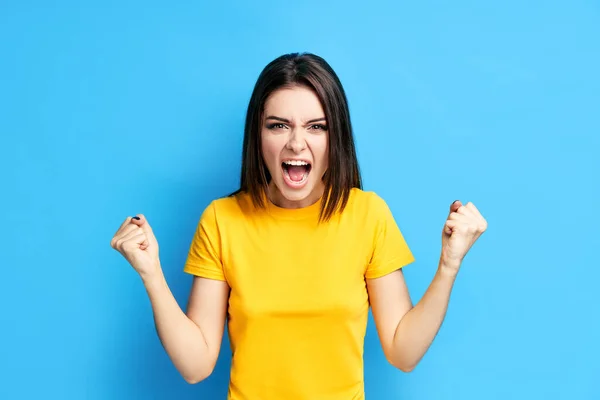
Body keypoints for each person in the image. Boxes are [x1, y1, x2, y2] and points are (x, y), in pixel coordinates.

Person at [110, 52, 487, 400]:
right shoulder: (222, 220)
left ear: (335, 136)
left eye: (316, 127)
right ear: (258, 137)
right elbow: (196, 366)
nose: (296, 143)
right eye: (279, 126)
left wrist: (449, 266)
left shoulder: (367, 215)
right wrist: (152, 275)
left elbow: (403, 352)